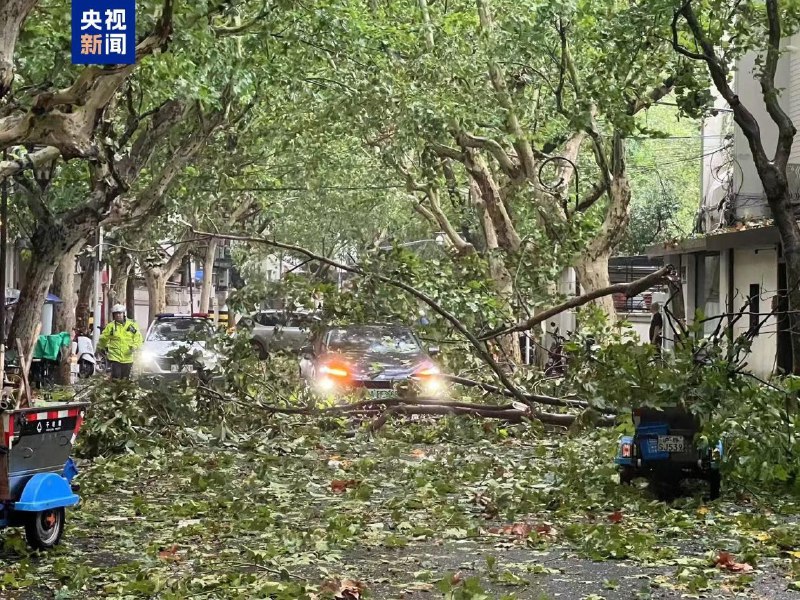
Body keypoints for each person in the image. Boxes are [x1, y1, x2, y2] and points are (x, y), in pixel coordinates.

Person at [97, 304, 143, 380]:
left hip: (128, 357)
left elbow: (138, 337)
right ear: (113, 315)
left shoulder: (131, 325)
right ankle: (115, 391)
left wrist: (135, 346)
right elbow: (103, 338)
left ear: (123, 314)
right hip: (115, 357)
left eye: (120, 313)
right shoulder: (110, 326)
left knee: (125, 379)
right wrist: (100, 347)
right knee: (116, 377)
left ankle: (124, 391)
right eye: (116, 314)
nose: (118, 315)